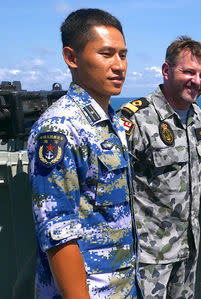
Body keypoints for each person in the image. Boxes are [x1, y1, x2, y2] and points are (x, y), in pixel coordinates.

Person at [27, 8, 140, 298]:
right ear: (72, 58)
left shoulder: (108, 121)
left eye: (123, 54)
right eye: (106, 54)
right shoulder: (61, 128)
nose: (119, 66)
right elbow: (58, 232)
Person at [117, 36, 201, 299]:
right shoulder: (135, 118)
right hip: (149, 254)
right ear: (166, 70)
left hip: (188, 247)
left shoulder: (196, 115)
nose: (196, 81)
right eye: (188, 72)